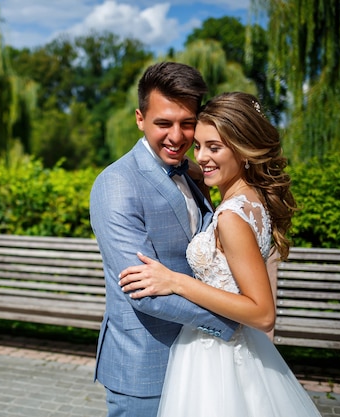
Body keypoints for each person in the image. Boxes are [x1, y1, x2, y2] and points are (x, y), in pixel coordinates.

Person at [118, 92, 322, 416]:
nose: (202, 157)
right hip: (238, 347)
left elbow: (262, 312)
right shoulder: (251, 199)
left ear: (243, 149)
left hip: (215, 356)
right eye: (198, 146)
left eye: (215, 147)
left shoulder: (231, 217)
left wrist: (176, 282)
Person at [89, 62, 238, 417]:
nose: (177, 136)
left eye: (187, 123)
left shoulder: (192, 172)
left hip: (199, 360)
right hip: (146, 363)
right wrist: (231, 321)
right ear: (140, 118)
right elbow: (143, 292)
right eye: (163, 123)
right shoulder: (116, 183)